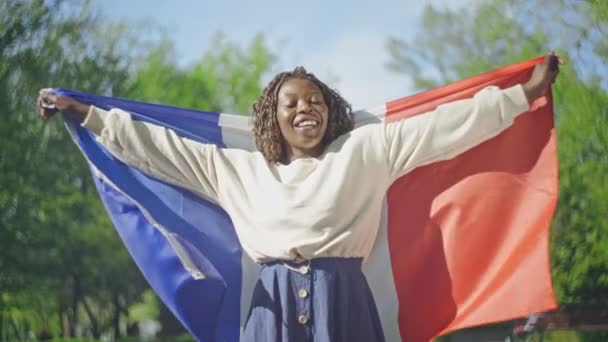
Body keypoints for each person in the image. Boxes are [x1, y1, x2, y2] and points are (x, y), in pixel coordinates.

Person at [37, 53, 560, 342]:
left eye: (315, 100)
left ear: (330, 111)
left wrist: (522, 95)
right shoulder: (235, 168)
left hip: (345, 303)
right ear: (272, 115)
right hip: (271, 309)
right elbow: (160, 147)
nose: (305, 108)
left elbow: (446, 127)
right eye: (291, 102)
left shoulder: (365, 149)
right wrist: (84, 112)